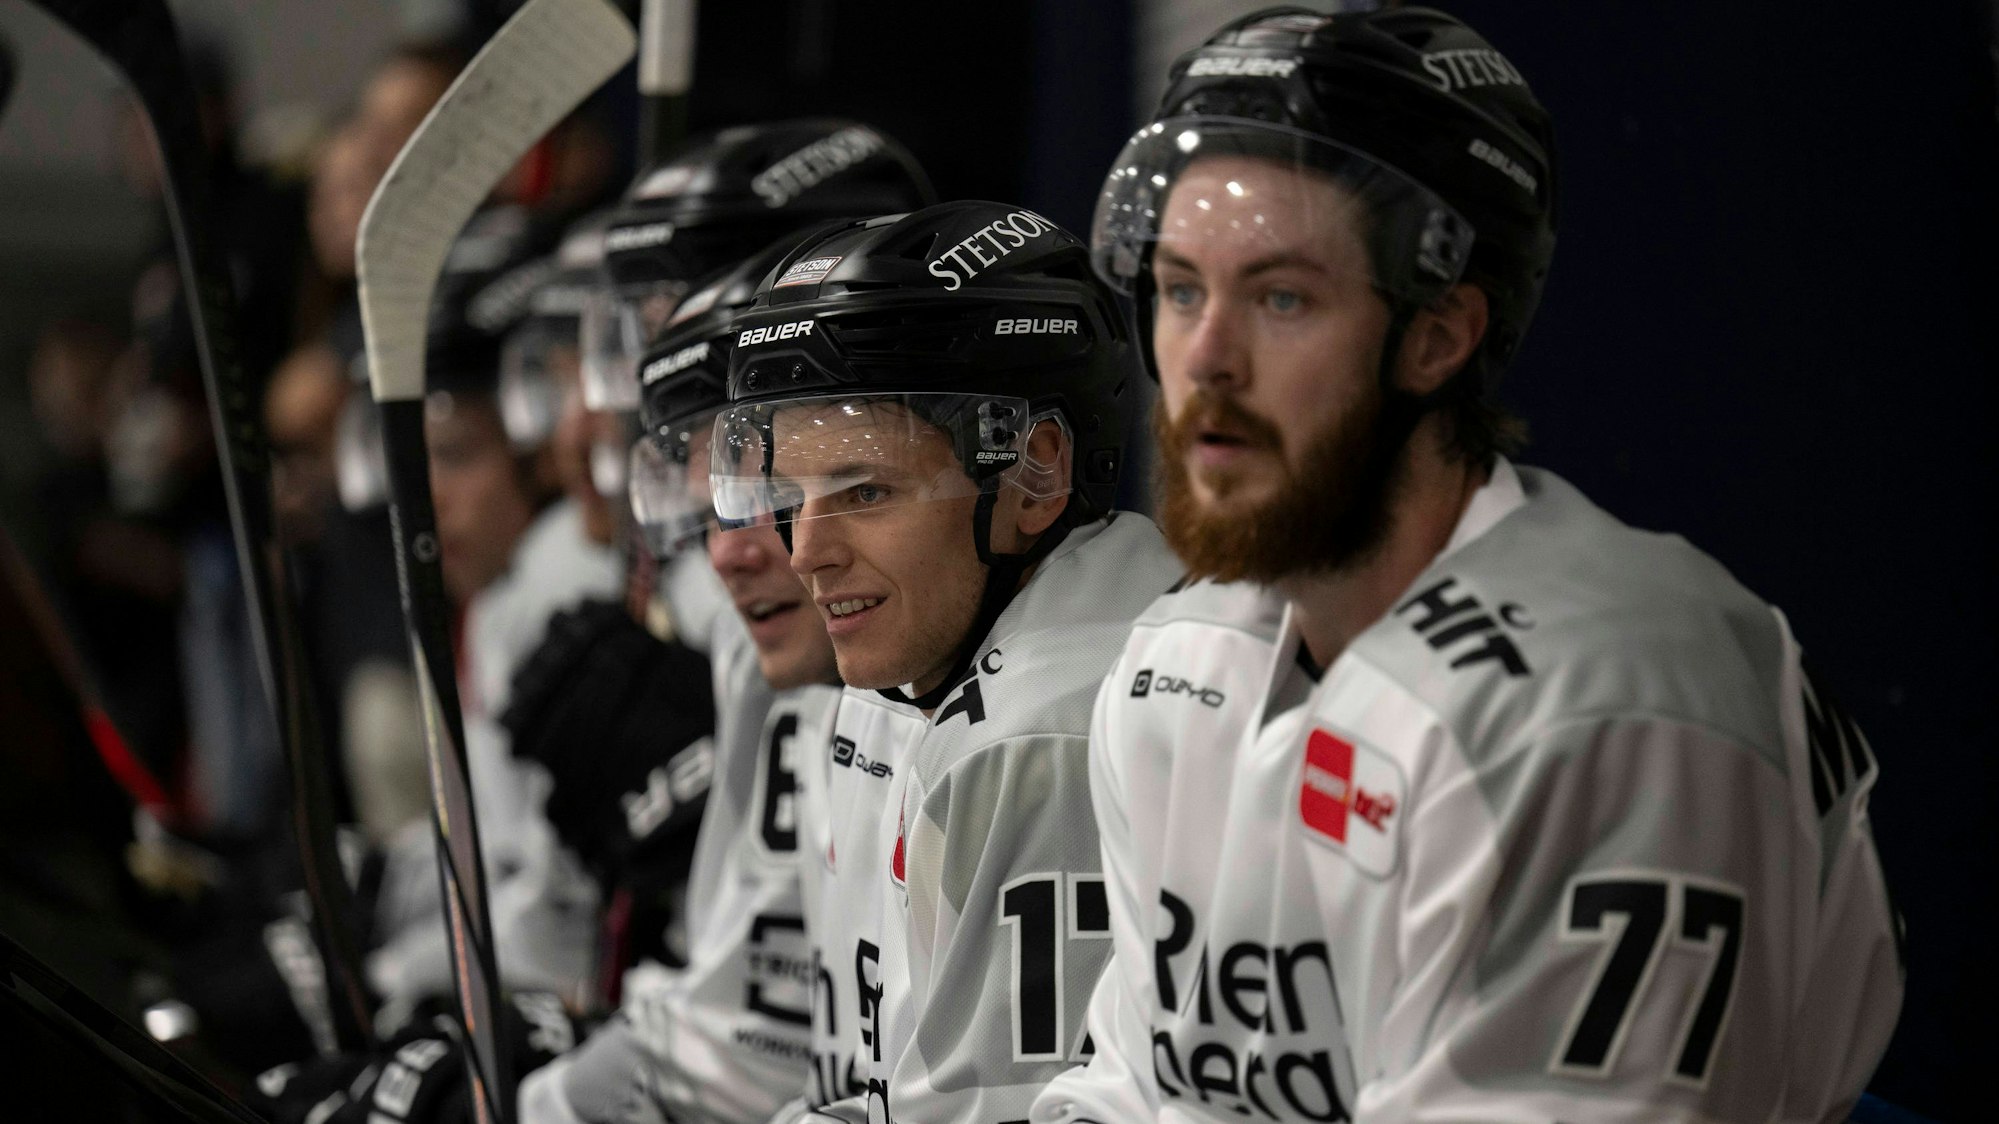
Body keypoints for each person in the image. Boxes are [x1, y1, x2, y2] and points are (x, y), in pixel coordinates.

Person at [1032, 8, 1904, 1123]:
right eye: (1180, 288)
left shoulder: (1608, 700)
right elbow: (1131, 1086)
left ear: (1437, 334)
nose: (1204, 358)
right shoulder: (1180, 656)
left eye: (1282, 297)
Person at [710, 200, 1183, 1124]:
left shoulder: (1038, 732)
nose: (805, 553)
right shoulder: (904, 684)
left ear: (1034, 471)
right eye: (789, 496)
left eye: (863, 491)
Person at [519, 238, 845, 1124]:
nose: (728, 555)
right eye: (715, 514)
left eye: (771, 494)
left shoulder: (1024, 706)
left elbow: (770, 1057)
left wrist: (536, 1102)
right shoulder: (760, 648)